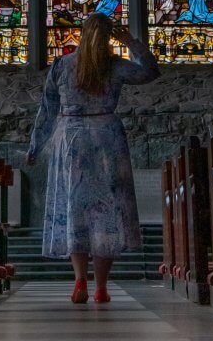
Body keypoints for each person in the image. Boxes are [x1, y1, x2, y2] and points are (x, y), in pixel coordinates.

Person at [26, 16, 160, 303]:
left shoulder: (63, 65)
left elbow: (48, 108)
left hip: (71, 138)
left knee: (75, 207)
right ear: (110, 36)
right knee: (105, 211)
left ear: (83, 33)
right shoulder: (114, 65)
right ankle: (101, 286)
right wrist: (131, 43)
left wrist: (35, 145)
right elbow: (150, 72)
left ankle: (79, 281)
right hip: (106, 138)